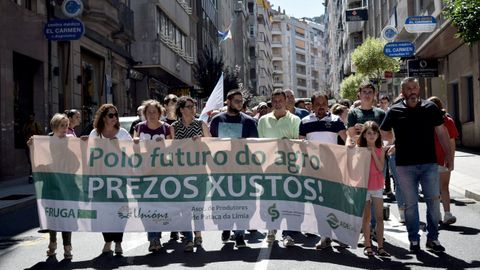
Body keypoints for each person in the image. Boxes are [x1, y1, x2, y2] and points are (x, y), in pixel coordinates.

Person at [380, 77, 453, 253]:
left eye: (414, 88)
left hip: (429, 163)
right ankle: (414, 239)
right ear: (403, 92)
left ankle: (433, 239)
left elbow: (441, 132)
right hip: (405, 165)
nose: (412, 91)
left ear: (418, 89)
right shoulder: (395, 110)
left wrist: (449, 155)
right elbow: (383, 131)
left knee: (433, 203)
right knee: (411, 205)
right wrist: (394, 142)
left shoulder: (430, 107)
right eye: (408, 89)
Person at [209, 89, 258, 249]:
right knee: (222, 201)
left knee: (242, 201)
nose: (240, 104)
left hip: (242, 169)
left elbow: (255, 146)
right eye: (236, 101)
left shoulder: (249, 121)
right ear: (228, 102)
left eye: (241, 101)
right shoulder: (216, 120)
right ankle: (225, 227)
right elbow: (211, 144)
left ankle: (239, 235)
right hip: (221, 170)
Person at [298, 92, 347, 250]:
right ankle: (324, 237)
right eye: (317, 104)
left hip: (334, 169)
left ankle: (339, 235)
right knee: (318, 205)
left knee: (335, 203)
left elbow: (347, 141)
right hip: (313, 170)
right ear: (311, 106)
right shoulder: (304, 122)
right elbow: (300, 144)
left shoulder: (336, 120)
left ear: (328, 105)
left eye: (323, 104)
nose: (321, 107)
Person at [257, 89, 301, 247]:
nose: (277, 103)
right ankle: (271, 228)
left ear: (286, 101)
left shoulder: (295, 120)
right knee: (269, 200)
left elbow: (298, 144)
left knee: (289, 201)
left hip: (289, 168)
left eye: (280, 100)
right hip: (268, 168)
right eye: (274, 101)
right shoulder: (263, 120)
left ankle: (288, 234)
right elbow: (260, 145)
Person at [28, 113, 74, 259]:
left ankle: (67, 247)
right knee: (53, 214)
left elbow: (79, 158)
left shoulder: (72, 140)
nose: (65, 129)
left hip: (66, 183)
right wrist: (32, 146)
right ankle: (53, 243)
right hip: (50, 183)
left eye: (67, 126)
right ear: (54, 126)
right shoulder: (46, 141)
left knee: (66, 215)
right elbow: (38, 161)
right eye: (62, 126)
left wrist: (84, 142)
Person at [89, 104, 132, 255]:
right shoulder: (95, 133)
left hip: (119, 179)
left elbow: (132, 157)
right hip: (100, 179)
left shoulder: (123, 134)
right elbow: (90, 156)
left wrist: (117, 147)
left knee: (120, 210)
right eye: (111, 115)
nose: (114, 118)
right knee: (103, 211)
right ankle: (107, 240)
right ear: (103, 117)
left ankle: (118, 242)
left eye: (116, 115)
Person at [171, 96, 211, 252]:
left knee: (198, 206)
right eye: (189, 106)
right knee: (185, 205)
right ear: (181, 109)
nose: (193, 109)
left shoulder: (201, 124)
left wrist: (202, 140)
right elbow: (173, 149)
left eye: (194, 106)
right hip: (182, 172)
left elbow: (211, 144)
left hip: (199, 171)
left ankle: (198, 233)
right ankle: (188, 237)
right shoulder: (174, 126)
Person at [133, 99, 172, 252]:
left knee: (159, 205)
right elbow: (133, 150)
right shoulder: (139, 128)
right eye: (148, 112)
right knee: (145, 206)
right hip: (143, 172)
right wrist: (135, 143)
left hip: (162, 172)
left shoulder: (167, 129)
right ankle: (152, 238)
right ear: (144, 114)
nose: (151, 115)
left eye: (154, 112)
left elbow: (172, 149)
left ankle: (157, 235)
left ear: (159, 113)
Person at [356, 121, 390, 257]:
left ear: (378, 135)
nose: (371, 135)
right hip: (364, 186)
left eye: (374, 133)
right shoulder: (359, 149)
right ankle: (368, 245)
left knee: (380, 217)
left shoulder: (380, 149)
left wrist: (373, 153)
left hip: (376, 186)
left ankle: (381, 247)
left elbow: (381, 167)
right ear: (364, 135)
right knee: (366, 218)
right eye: (368, 133)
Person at [428, 96, 459, 225]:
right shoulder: (448, 120)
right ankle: (447, 214)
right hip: (442, 158)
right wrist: (451, 159)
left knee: (434, 189)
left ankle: (438, 215)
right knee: (444, 187)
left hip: (429, 159)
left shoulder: (425, 120)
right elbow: (452, 142)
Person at [23, 112, 44, 182]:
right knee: (30, 161)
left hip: (35, 146)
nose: (30, 118)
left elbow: (40, 134)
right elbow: (23, 134)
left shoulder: (36, 124)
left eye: (32, 117)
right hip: (27, 146)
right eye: (29, 117)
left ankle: (32, 175)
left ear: (34, 117)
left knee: (33, 161)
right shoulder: (26, 125)